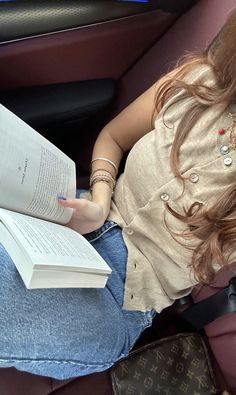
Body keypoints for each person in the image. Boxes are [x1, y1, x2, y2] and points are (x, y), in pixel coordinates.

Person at [1, 9, 236, 381]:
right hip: (80, 221)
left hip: (122, 300)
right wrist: (98, 199)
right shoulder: (199, 80)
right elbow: (114, 137)